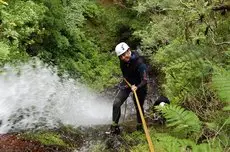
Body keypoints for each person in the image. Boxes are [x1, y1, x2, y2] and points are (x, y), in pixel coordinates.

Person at [109, 42, 148, 135]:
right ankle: (114, 127)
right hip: (128, 83)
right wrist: (126, 85)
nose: (122, 58)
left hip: (140, 85)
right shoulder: (122, 61)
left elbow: (145, 80)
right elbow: (125, 75)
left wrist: (137, 87)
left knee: (138, 106)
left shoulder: (140, 62)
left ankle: (140, 126)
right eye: (120, 56)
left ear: (129, 50)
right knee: (116, 103)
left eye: (124, 55)